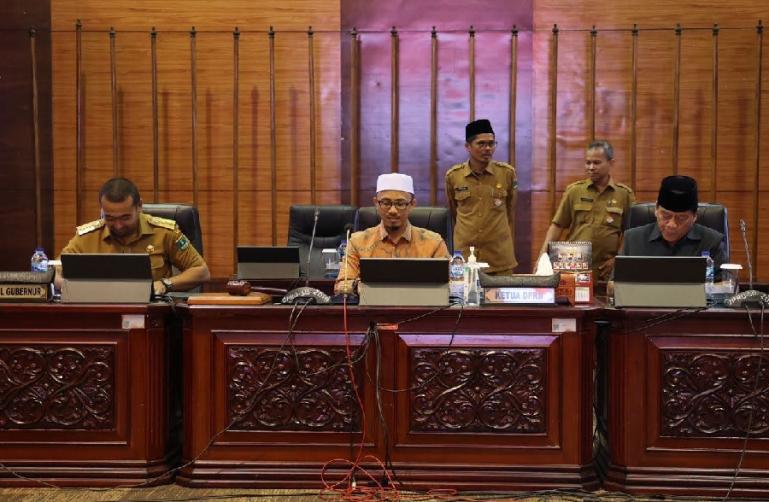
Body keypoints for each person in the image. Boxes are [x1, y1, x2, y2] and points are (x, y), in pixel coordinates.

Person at [55, 177, 210, 295]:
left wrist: (165, 284)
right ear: (102, 211)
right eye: (110, 218)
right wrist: (75, 290)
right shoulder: (87, 236)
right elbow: (54, 270)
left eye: (125, 217)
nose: (118, 225)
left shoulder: (164, 232)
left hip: (153, 314)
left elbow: (201, 271)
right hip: (102, 312)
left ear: (139, 207)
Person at [335, 173, 450, 294]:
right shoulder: (358, 241)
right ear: (376, 203)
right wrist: (358, 286)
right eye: (386, 203)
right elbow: (341, 285)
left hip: (422, 310)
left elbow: (450, 285)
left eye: (400, 204)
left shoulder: (433, 243)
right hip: (371, 310)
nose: (393, 210)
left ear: (412, 205)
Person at [538, 140, 635, 281]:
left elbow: (630, 232)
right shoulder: (575, 191)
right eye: (587, 162)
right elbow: (557, 225)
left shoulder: (624, 194)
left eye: (596, 163)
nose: (591, 167)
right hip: (573, 265)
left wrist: (619, 259)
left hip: (606, 268)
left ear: (611, 163)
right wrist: (543, 256)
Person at [445, 119, 517, 275]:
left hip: (499, 259)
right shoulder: (454, 176)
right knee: (462, 298)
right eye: (481, 144)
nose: (488, 148)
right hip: (464, 258)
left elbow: (510, 210)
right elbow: (454, 212)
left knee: (501, 299)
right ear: (468, 147)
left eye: (491, 144)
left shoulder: (506, 173)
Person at [620, 175, 726, 271]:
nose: (672, 224)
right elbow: (614, 285)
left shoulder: (712, 242)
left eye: (681, 218)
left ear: (694, 216)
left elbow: (724, 286)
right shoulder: (632, 239)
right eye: (666, 216)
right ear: (656, 209)